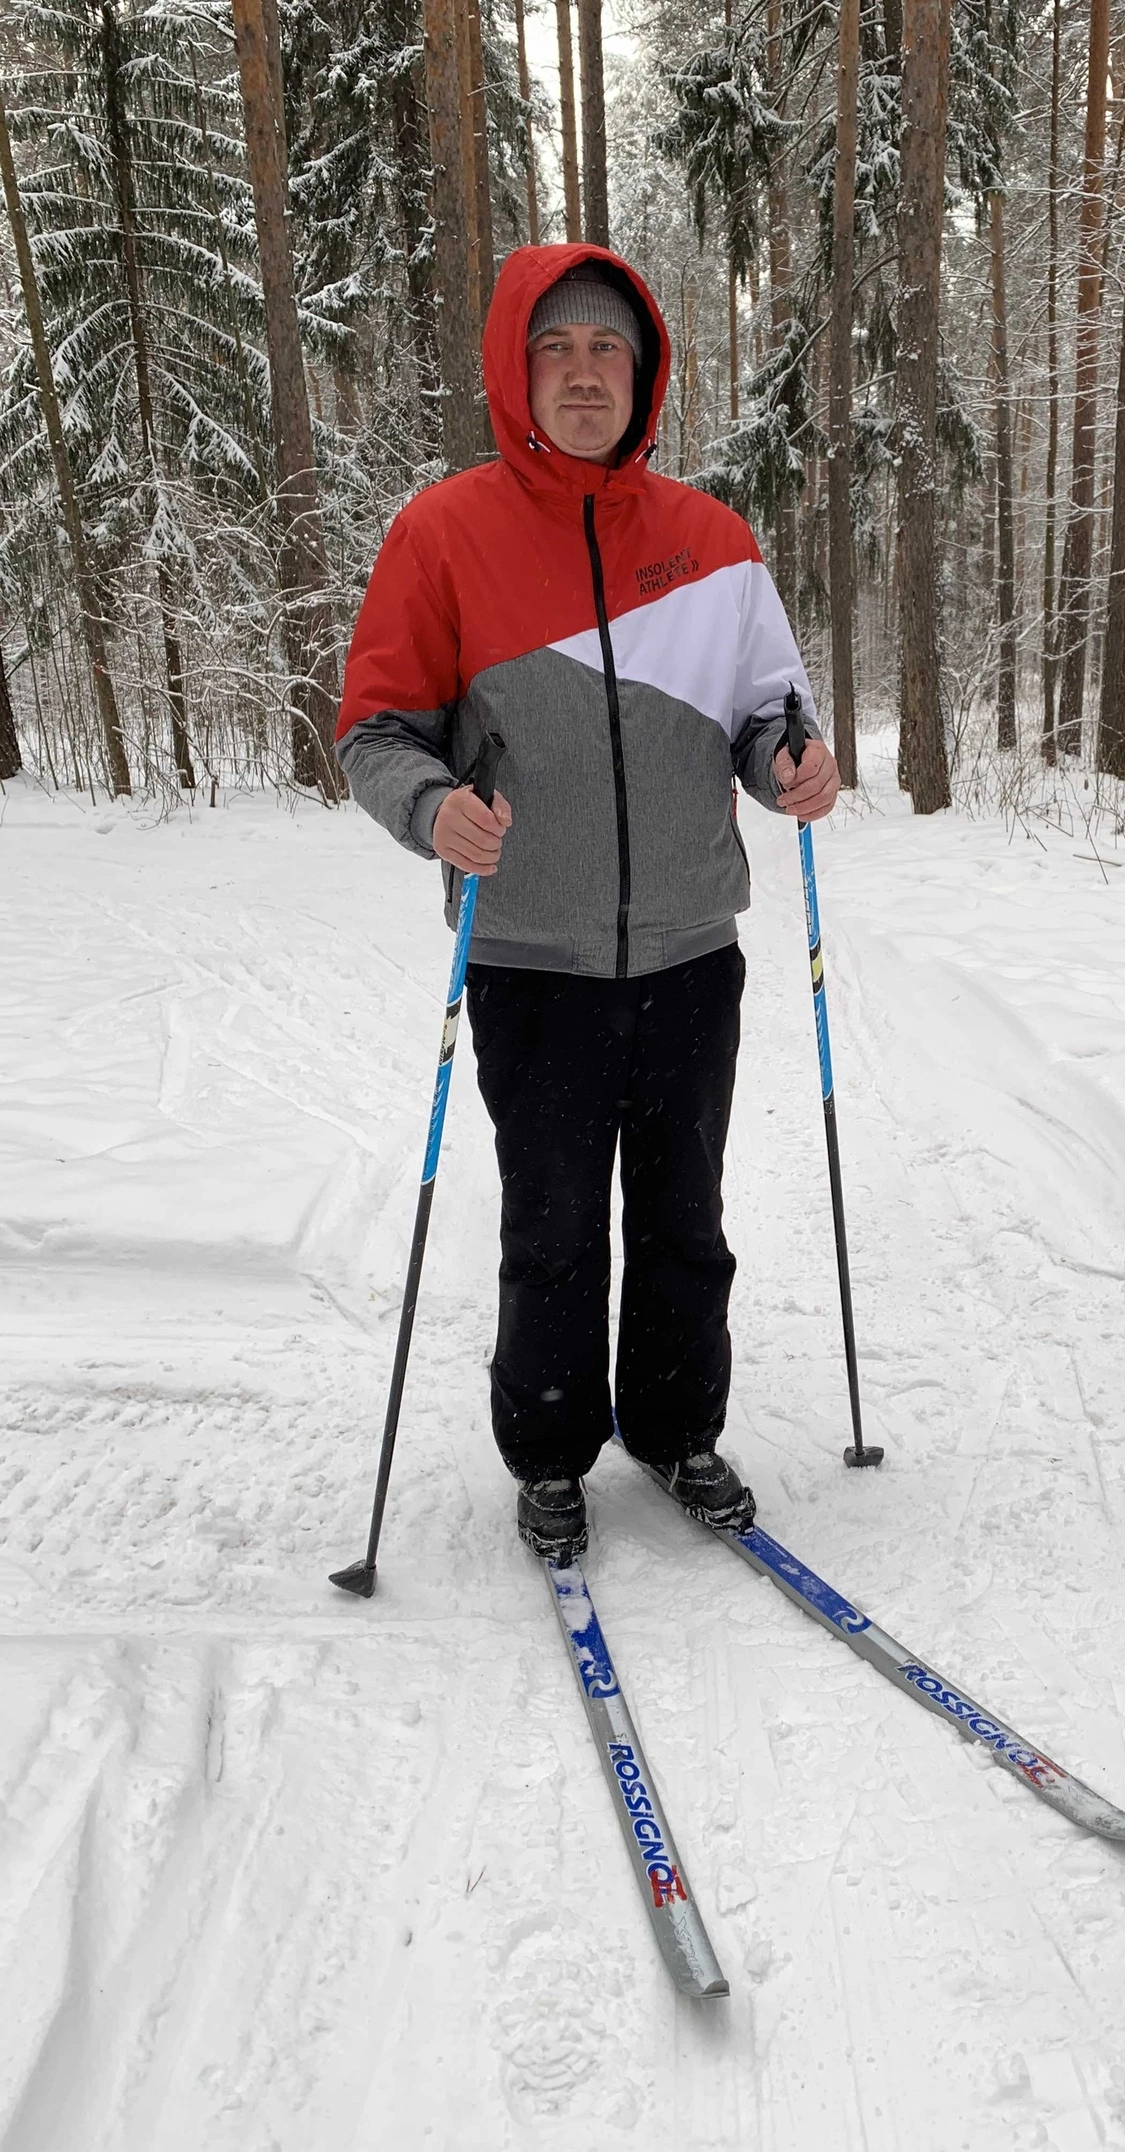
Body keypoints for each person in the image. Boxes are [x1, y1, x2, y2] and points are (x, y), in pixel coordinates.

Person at [336, 245, 840, 1565]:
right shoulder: (441, 535)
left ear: (643, 371)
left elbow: (769, 708)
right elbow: (376, 733)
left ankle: (677, 1430)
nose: (581, 373)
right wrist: (428, 805)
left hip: (687, 953)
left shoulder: (715, 543)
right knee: (551, 1223)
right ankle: (551, 1453)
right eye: (554, 348)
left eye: (606, 348)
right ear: (517, 367)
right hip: (529, 960)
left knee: (685, 1215)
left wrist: (792, 760)